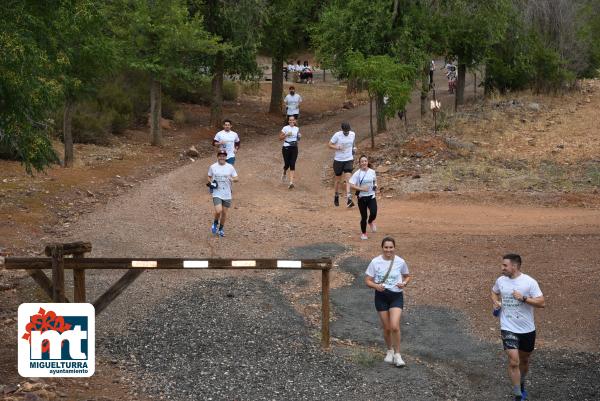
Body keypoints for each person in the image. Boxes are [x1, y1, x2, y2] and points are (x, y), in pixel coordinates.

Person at [491, 254, 545, 401]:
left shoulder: (529, 282)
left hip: (527, 329)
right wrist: (496, 302)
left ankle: (521, 384)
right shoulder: (501, 281)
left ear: (514, 266)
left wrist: (524, 298)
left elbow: (542, 302)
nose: (502, 268)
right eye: (502, 265)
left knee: (525, 360)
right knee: (514, 361)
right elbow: (494, 292)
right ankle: (517, 395)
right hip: (508, 326)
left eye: (505, 266)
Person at [365, 237, 411, 368]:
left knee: (395, 326)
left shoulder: (400, 261)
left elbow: (407, 276)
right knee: (386, 328)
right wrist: (375, 286)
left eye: (391, 247)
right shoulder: (375, 262)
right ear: (382, 248)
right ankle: (389, 350)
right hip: (381, 296)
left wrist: (404, 283)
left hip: (396, 295)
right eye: (386, 247)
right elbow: (368, 280)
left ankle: (398, 354)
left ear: (394, 248)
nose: (388, 250)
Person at [207, 150, 239, 237]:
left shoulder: (230, 167)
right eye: (220, 156)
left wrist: (232, 179)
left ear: (226, 157)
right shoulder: (213, 167)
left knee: (224, 213)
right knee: (219, 210)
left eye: (223, 156)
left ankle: (221, 229)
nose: (222, 157)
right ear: (217, 157)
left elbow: (237, 178)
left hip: (227, 193)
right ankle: (215, 223)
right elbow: (209, 176)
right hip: (217, 192)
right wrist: (211, 184)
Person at [328, 122, 356, 208]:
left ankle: (349, 199)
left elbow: (353, 144)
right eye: (345, 132)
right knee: (338, 180)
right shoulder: (337, 135)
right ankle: (336, 195)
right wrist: (337, 147)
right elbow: (329, 145)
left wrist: (354, 149)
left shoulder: (352, 134)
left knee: (348, 179)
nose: (347, 133)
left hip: (348, 159)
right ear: (342, 130)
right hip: (338, 160)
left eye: (348, 131)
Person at [349, 155, 377, 240]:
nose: (364, 163)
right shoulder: (357, 173)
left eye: (365, 161)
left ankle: (370, 221)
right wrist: (361, 189)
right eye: (362, 161)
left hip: (371, 196)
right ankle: (364, 234)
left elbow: (374, 181)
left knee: (373, 213)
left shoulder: (372, 171)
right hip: (362, 198)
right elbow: (351, 185)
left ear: (367, 162)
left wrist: (375, 186)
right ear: (360, 163)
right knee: (364, 216)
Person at [279, 115, 301, 189]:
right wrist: (286, 134)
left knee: (292, 163)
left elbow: (298, 139)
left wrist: (299, 137)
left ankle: (291, 183)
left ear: (295, 121)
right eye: (290, 120)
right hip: (286, 147)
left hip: (294, 147)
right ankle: (284, 171)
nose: (291, 121)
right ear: (288, 121)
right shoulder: (285, 128)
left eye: (293, 120)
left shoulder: (297, 128)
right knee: (287, 164)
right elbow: (280, 138)